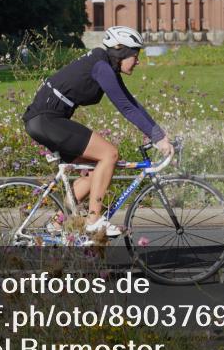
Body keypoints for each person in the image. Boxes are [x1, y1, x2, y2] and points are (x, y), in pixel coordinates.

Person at [21, 26, 173, 237]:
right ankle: (93, 220)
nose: (138, 61)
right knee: (109, 154)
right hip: (47, 119)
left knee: (95, 173)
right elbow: (126, 108)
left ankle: (57, 223)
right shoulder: (101, 66)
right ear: (121, 51)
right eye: (135, 55)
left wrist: (159, 133)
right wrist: (158, 138)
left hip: (45, 120)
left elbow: (130, 102)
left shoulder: (104, 65)